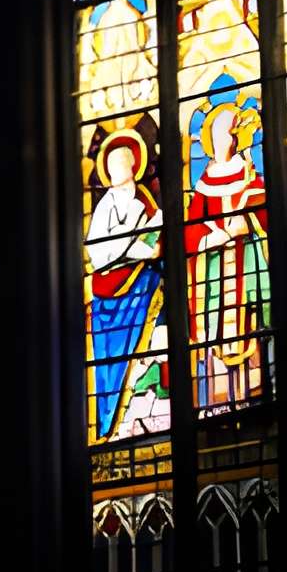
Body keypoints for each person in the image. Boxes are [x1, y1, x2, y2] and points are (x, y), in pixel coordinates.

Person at [186, 75, 270, 409]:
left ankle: (258, 397)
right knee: (214, 331)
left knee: (253, 322)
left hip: (245, 261)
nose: (225, 138)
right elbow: (189, 229)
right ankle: (217, 403)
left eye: (229, 131)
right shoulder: (204, 182)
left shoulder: (249, 173)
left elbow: (265, 212)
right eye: (218, 132)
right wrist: (210, 236)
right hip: (212, 273)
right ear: (209, 139)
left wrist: (243, 225)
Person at [85, 127, 168, 441]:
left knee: (135, 352)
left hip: (139, 289)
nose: (114, 169)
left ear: (134, 164)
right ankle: (107, 423)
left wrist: (132, 249)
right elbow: (98, 253)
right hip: (106, 294)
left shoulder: (147, 204)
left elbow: (156, 247)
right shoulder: (105, 205)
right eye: (110, 164)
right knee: (107, 361)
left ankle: (131, 414)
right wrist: (132, 248)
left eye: (121, 162)